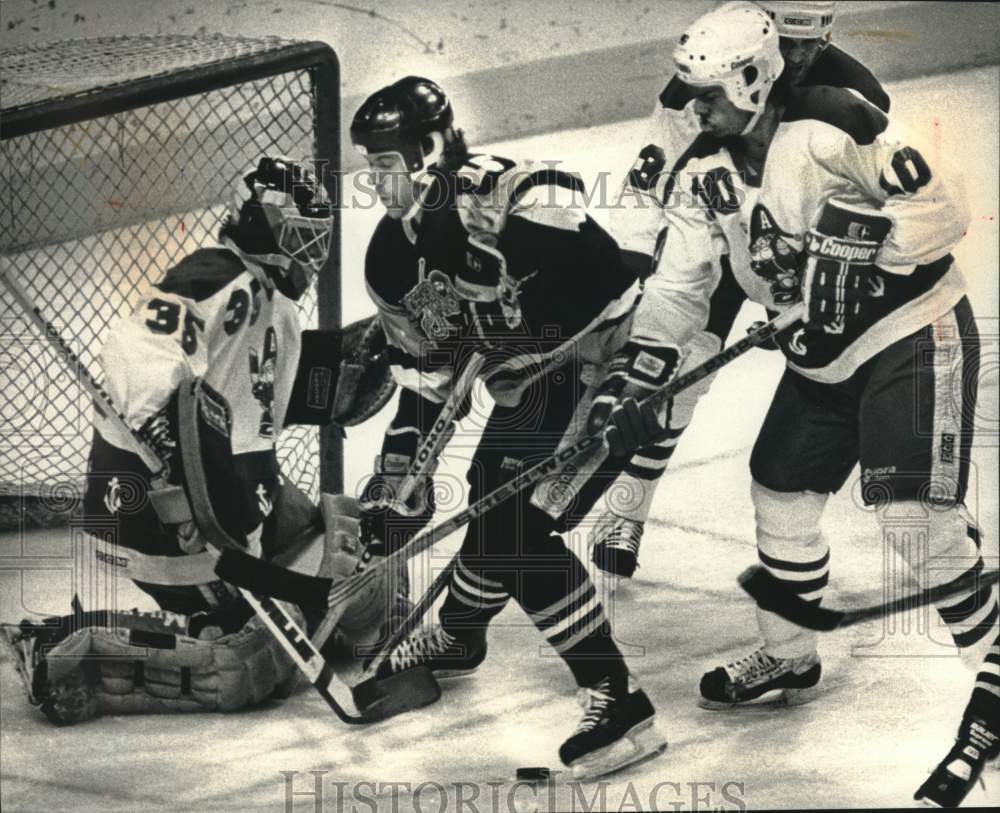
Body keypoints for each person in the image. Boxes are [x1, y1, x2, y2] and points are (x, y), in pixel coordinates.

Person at [593, 3, 997, 806]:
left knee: (912, 514)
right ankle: (791, 652)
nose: (691, 106)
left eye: (706, 92)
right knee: (779, 489)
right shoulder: (702, 169)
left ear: (752, 78)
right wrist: (636, 379)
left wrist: (868, 249)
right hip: (820, 357)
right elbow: (680, 288)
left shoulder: (834, 125)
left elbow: (942, 210)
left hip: (912, 334)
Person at [1, 157, 402, 724]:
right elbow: (133, 355)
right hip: (157, 515)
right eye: (298, 236)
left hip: (234, 499)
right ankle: (74, 647)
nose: (310, 254)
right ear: (258, 224)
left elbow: (254, 410)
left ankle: (250, 610)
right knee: (247, 667)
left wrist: (342, 371)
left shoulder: (278, 307)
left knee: (364, 581)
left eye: (317, 238)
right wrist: (173, 464)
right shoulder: (217, 275)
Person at [346, 75, 666, 777]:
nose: (376, 182)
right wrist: (401, 481)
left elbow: (605, 271)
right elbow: (429, 383)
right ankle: (460, 639)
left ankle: (618, 700)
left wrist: (517, 293)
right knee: (494, 495)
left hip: (615, 356)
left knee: (518, 529)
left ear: (430, 148)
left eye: (386, 164)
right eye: (368, 166)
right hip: (540, 377)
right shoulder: (391, 259)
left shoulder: (503, 195)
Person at [591, 0, 890, 590]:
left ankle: (925, 494)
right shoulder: (702, 90)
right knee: (684, 375)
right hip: (726, 243)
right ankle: (625, 513)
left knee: (869, 376)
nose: (797, 58)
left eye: (812, 45)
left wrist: (815, 284)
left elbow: (876, 203)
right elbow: (651, 184)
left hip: (813, 259)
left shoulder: (857, 97)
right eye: (788, 41)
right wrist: (633, 269)